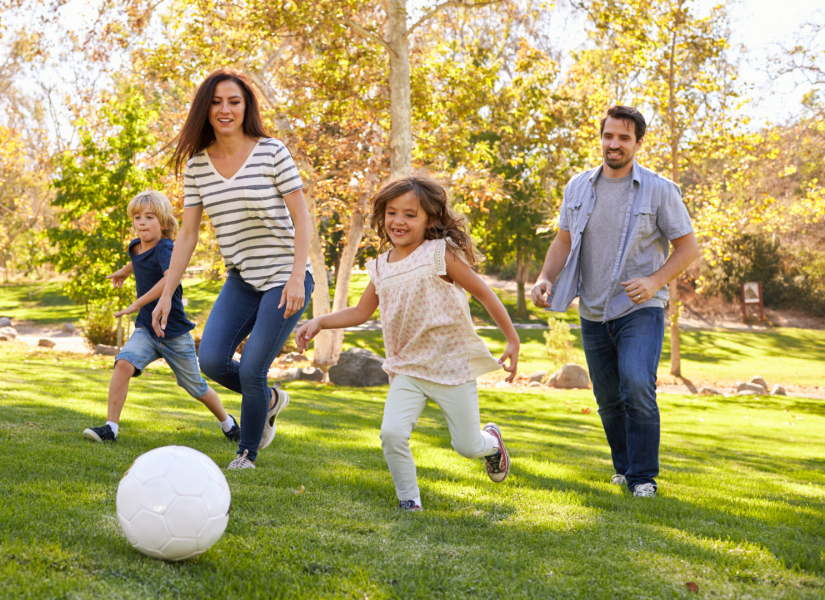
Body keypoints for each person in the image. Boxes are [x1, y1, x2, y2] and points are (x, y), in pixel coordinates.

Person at [295, 176, 520, 511]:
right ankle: (409, 501)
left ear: (429, 218)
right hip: (407, 368)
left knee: (467, 446)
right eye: (391, 213)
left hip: (450, 365)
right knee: (392, 434)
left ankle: (492, 444)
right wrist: (320, 321)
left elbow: (484, 293)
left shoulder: (439, 254)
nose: (398, 221)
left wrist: (512, 339)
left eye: (410, 214)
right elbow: (360, 311)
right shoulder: (380, 268)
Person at [531, 105, 699, 498]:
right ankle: (624, 469)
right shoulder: (578, 187)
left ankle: (643, 478)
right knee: (607, 398)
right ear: (601, 137)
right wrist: (544, 277)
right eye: (609, 135)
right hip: (592, 308)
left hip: (640, 308)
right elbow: (564, 240)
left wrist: (656, 279)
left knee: (637, 385)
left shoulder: (660, 189)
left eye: (624, 138)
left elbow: (688, 247)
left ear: (638, 143)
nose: (614, 144)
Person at [153, 68, 314, 470]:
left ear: (246, 107)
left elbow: (303, 218)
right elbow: (187, 236)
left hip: (284, 278)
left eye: (234, 101)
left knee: (255, 365)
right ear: (205, 109)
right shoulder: (197, 167)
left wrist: (297, 276)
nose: (225, 109)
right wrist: (167, 294)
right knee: (211, 360)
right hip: (241, 279)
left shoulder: (272, 151)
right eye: (217, 102)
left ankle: (247, 453)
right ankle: (272, 400)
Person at [82, 191, 239, 443]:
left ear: (163, 223)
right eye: (137, 217)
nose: (141, 222)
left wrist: (138, 303)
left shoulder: (167, 248)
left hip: (173, 332)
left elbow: (169, 277)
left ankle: (229, 424)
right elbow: (138, 260)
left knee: (196, 388)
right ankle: (110, 428)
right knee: (123, 363)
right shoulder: (135, 245)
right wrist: (124, 271)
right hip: (146, 328)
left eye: (149, 217)